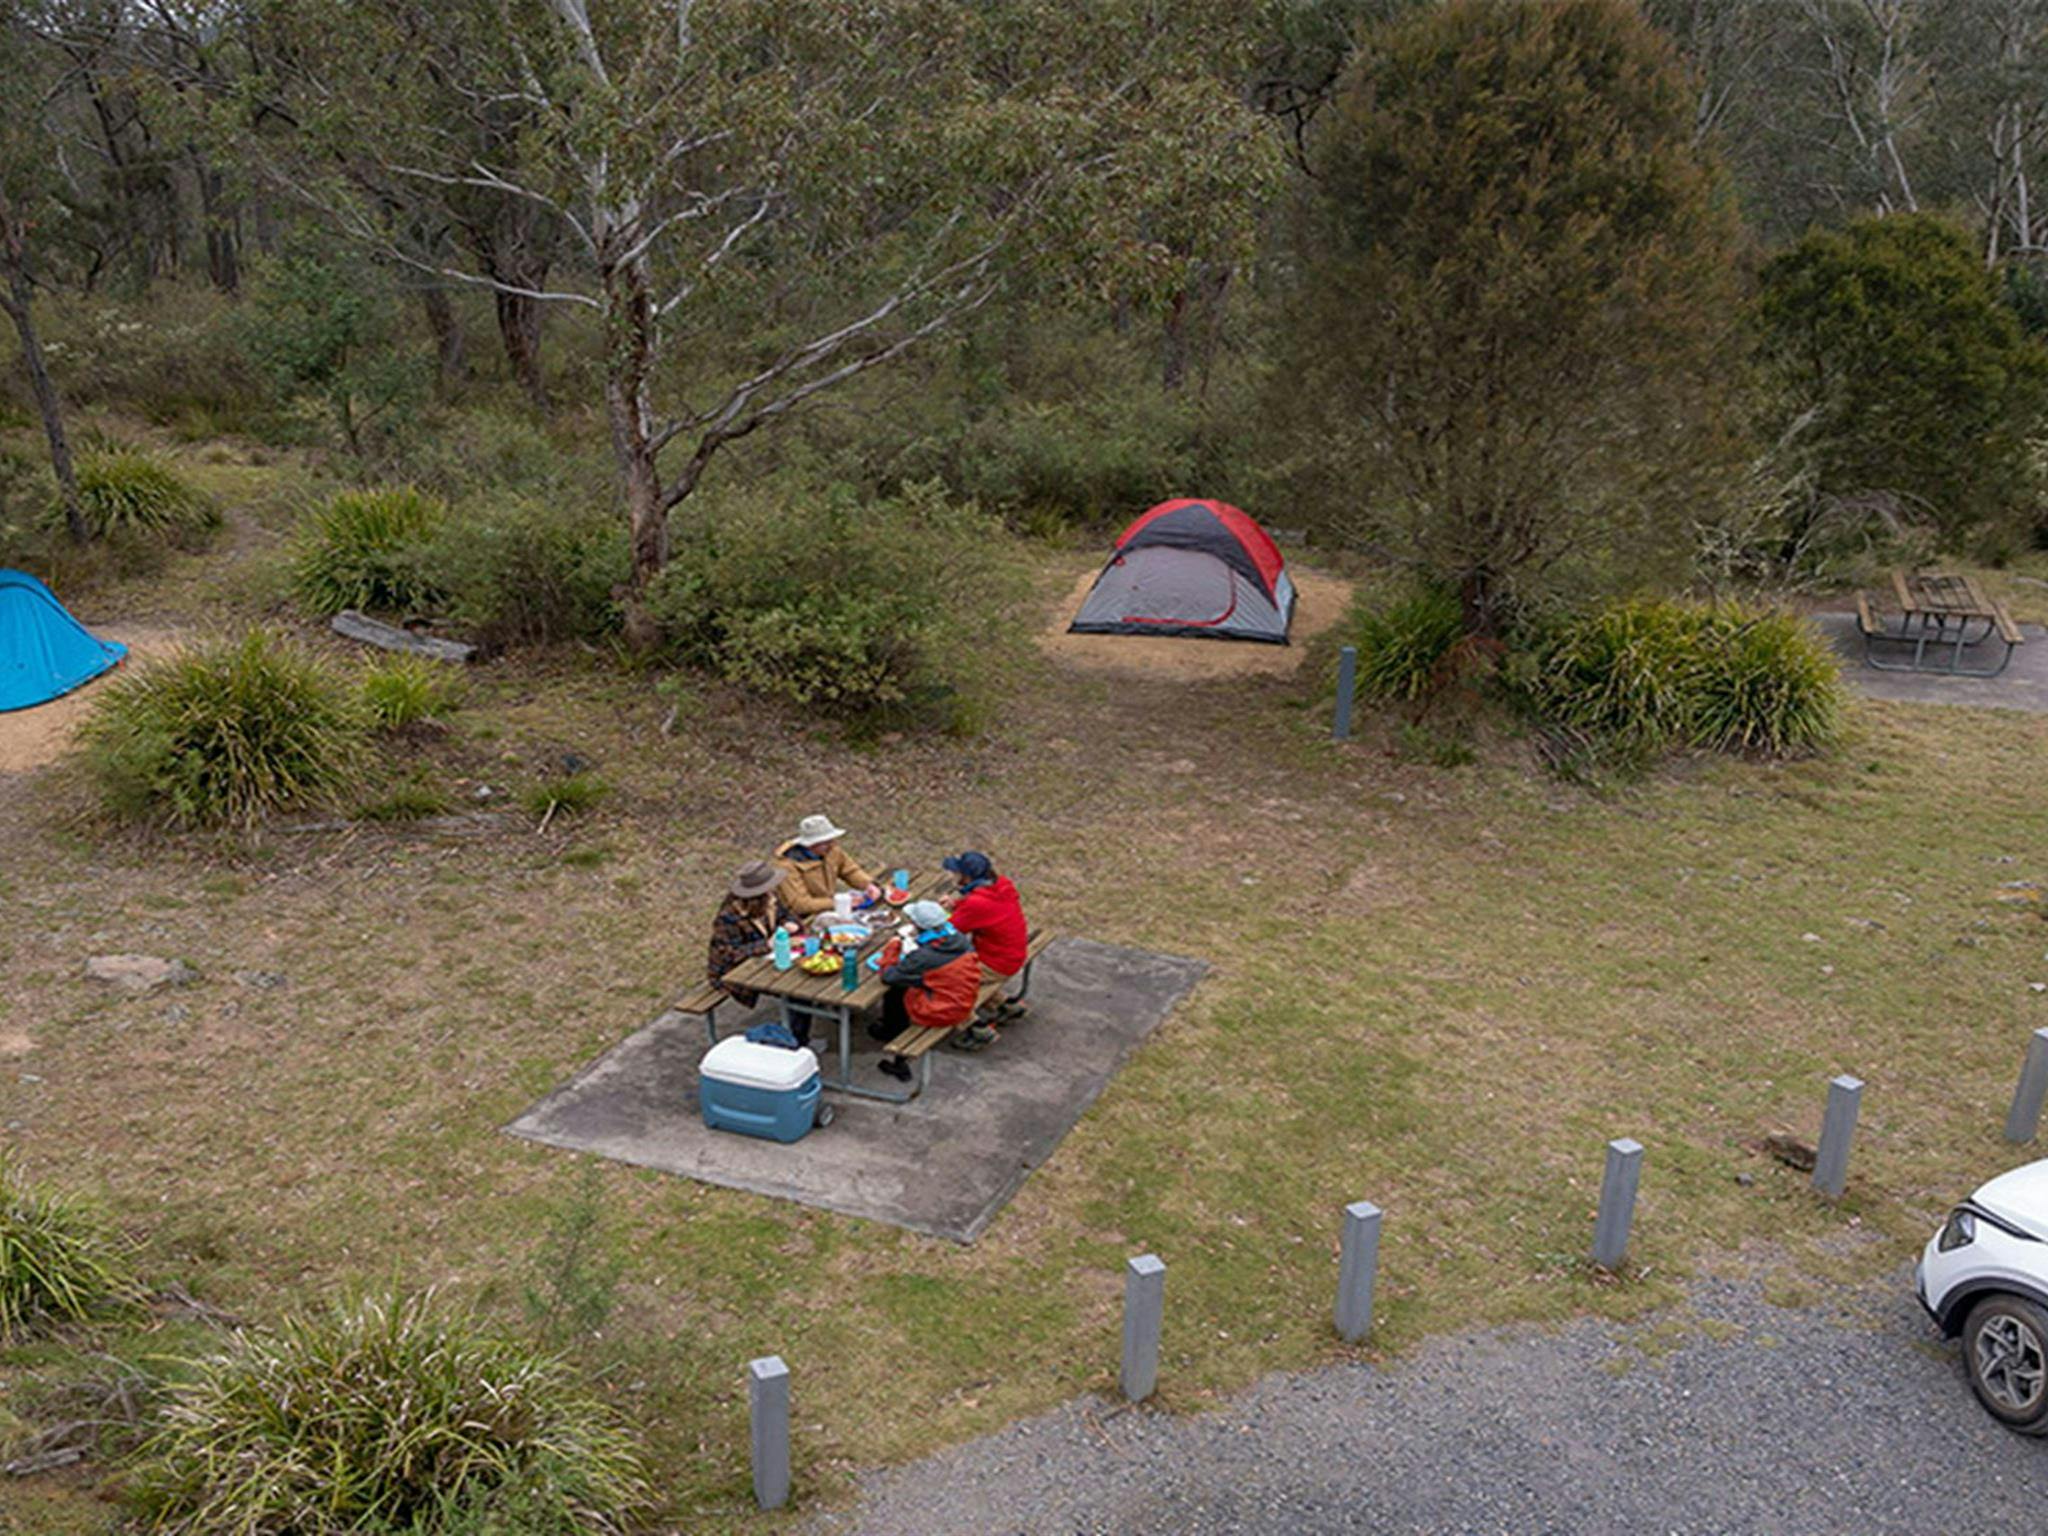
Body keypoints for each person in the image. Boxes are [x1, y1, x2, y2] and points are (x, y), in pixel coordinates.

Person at [868, 899, 981, 1081]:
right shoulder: (957, 938)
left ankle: (892, 1032)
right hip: (965, 997)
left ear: (917, 926)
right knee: (911, 980)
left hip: (941, 1011)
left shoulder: (924, 956)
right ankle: (892, 1026)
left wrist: (893, 947)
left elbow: (888, 976)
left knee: (898, 987)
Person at [943, 850, 1029, 1048]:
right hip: (1013, 953)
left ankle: (976, 1028)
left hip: (995, 962)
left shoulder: (976, 904)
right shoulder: (1001, 885)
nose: (953, 876)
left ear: (967, 877)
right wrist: (957, 904)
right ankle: (1003, 1004)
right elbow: (982, 908)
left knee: (941, 980)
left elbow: (948, 934)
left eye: (957, 873)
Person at [706, 860, 791, 1009]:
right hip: (733, 972)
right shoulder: (729, 918)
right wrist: (766, 945)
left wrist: (790, 923)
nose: (773, 890)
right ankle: (796, 1030)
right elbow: (729, 954)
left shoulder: (770, 899)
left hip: (765, 960)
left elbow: (786, 914)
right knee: (792, 989)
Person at [774, 813, 881, 919]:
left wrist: (868, 884)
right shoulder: (787, 866)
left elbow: (850, 870)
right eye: (825, 842)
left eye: (831, 840)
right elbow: (800, 904)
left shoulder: (831, 850)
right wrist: (839, 903)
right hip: (801, 919)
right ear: (810, 844)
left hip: (828, 909)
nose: (832, 845)